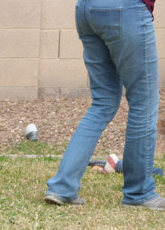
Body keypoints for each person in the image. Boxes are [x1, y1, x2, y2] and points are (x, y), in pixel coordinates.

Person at [45, 0, 165, 210]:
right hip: (126, 8)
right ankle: (140, 193)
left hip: (86, 9)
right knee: (143, 102)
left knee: (103, 101)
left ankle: (62, 188)